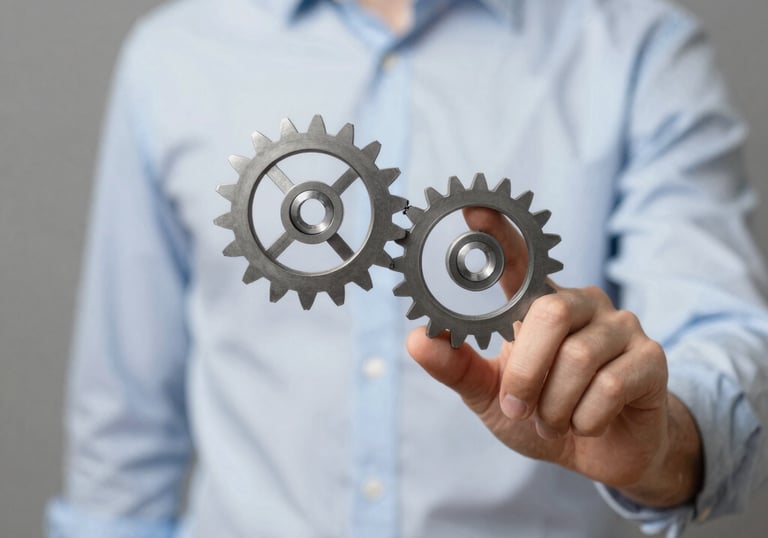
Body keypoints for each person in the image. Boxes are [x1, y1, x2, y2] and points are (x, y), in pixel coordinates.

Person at [48, 0, 768, 537]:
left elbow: (722, 334)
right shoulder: (172, 57)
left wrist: (662, 443)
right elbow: (123, 434)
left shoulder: (638, 48)